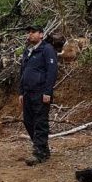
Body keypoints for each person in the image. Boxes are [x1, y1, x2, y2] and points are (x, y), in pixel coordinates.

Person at [18, 25, 58, 166]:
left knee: (40, 122)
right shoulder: (28, 51)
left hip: (40, 93)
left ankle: (39, 153)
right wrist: (21, 92)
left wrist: (48, 92)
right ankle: (43, 149)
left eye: (33, 32)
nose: (30, 35)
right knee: (28, 121)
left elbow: (52, 72)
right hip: (28, 93)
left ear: (41, 34)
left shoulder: (47, 50)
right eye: (29, 32)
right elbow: (22, 72)